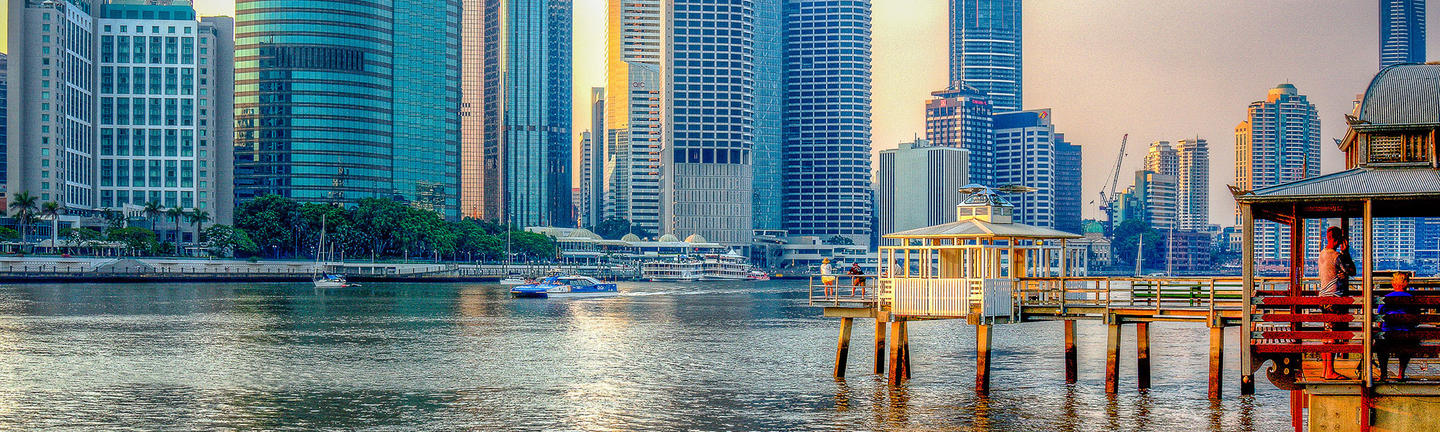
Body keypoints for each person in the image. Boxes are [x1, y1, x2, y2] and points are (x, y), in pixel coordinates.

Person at [1317, 226, 1357, 380]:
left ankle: (1325, 370)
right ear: (1337, 239)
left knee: (1327, 335)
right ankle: (1330, 371)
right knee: (1332, 336)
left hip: (1324, 299)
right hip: (1334, 299)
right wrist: (1346, 253)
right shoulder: (1337, 256)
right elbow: (1352, 271)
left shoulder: (1322, 254)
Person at [1378, 271, 1418, 381]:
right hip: (1406, 335)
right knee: (1406, 345)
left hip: (1388, 335)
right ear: (1406, 284)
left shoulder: (1385, 298)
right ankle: (1401, 374)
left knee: (1380, 345)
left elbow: (1379, 320)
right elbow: (1416, 319)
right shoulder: (1412, 298)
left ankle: (1383, 375)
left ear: (1393, 284)